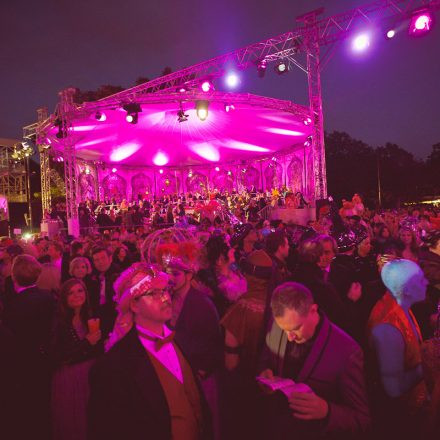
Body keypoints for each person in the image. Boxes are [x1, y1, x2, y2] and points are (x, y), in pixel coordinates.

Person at [88, 263, 212, 440]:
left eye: (165, 291)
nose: (165, 298)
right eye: (153, 293)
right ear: (134, 305)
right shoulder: (113, 367)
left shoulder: (180, 340)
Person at [259, 282, 370, 440]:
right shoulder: (281, 322)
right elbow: (266, 358)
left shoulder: (347, 352)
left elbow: (362, 420)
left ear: (313, 310)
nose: (289, 337)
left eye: (296, 328)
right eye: (283, 329)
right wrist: (265, 372)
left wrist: (326, 411)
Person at [367, 259, 429, 436]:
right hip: (404, 420)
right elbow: (393, 388)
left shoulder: (400, 307)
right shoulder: (388, 323)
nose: (424, 282)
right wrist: (427, 366)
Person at [2, 254, 56, 439]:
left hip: (21, 366)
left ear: (14, 277)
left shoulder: (12, 306)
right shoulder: (49, 298)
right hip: (47, 360)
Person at [50, 278, 103, 440]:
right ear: (64, 297)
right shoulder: (60, 322)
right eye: (71, 293)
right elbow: (60, 356)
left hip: (90, 375)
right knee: (73, 421)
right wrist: (87, 342)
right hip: (70, 377)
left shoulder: (90, 316)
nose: (77, 295)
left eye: (80, 291)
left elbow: (96, 351)